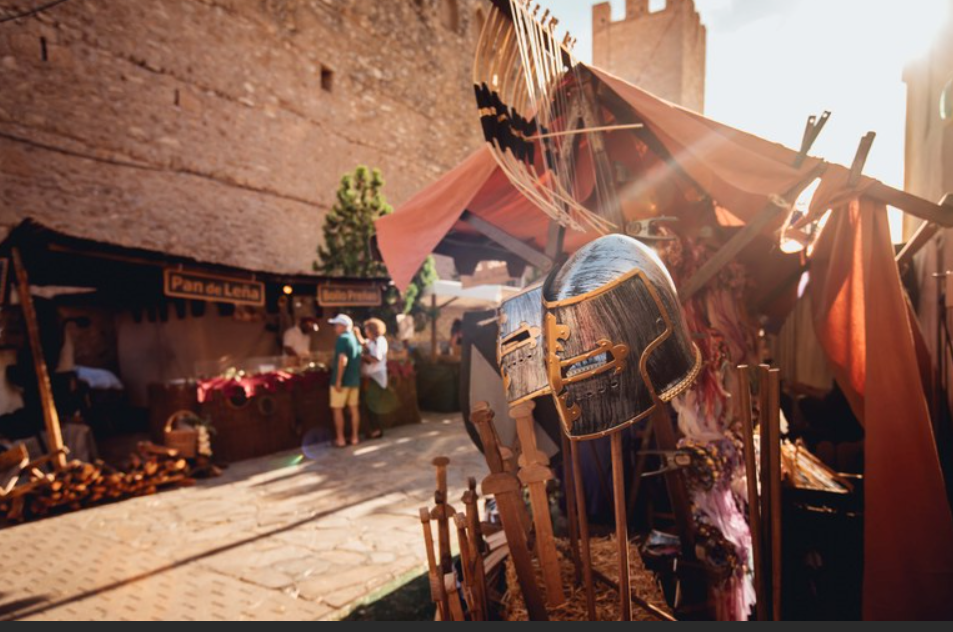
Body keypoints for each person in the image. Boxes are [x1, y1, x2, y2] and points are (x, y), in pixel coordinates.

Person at [329, 314, 362, 447]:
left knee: (337, 409)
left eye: (336, 325)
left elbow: (343, 360)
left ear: (343, 326)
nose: (334, 328)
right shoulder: (355, 339)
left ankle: (340, 439)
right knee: (354, 409)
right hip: (354, 381)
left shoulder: (342, 339)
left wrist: (338, 380)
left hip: (343, 381)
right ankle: (355, 437)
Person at [354, 318, 389, 440]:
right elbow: (365, 344)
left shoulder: (380, 341)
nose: (365, 331)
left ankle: (377, 430)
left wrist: (362, 357)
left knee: (373, 406)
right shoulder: (371, 341)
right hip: (370, 377)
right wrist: (357, 335)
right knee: (369, 405)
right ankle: (374, 429)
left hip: (376, 378)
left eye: (367, 329)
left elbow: (375, 358)